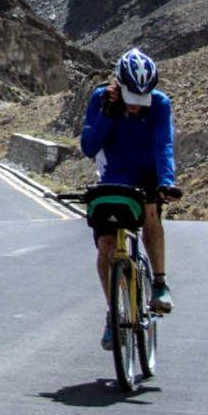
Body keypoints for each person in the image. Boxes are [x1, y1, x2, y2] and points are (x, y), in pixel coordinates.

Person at [78, 47, 180, 351]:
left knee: (151, 211)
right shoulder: (100, 99)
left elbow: (164, 144)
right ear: (119, 87)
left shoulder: (160, 104)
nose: (136, 108)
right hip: (111, 175)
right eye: (131, 100)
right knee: (107, 245)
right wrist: (107, 116)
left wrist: (166, 182)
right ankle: (114, 313)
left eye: (142, 101)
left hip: (146, 174)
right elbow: (88, 146)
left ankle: (159, 283)